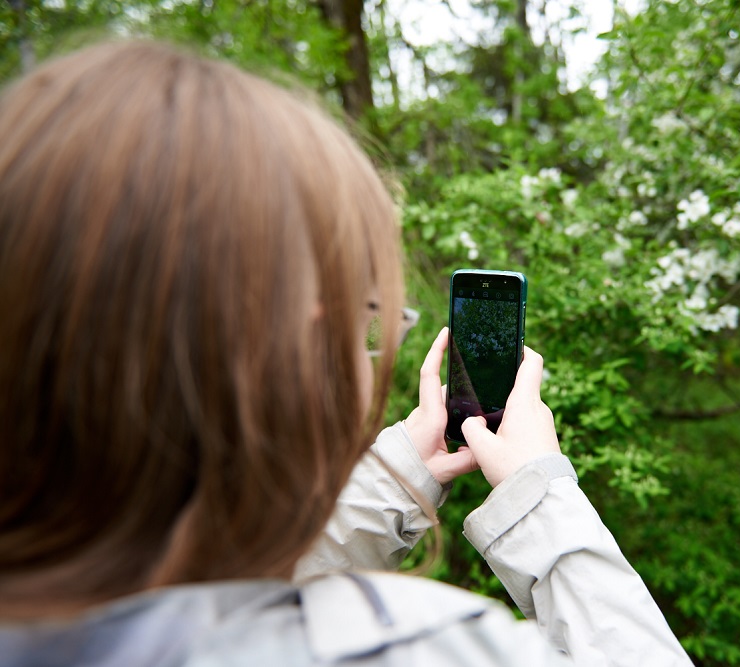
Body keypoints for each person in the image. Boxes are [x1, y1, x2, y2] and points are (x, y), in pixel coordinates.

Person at [0, 41, 693, 666]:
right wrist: (539, 493)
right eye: (368, 324)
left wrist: (395, 481)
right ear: (298, 353)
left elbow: (199, 592)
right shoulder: (428, 648)